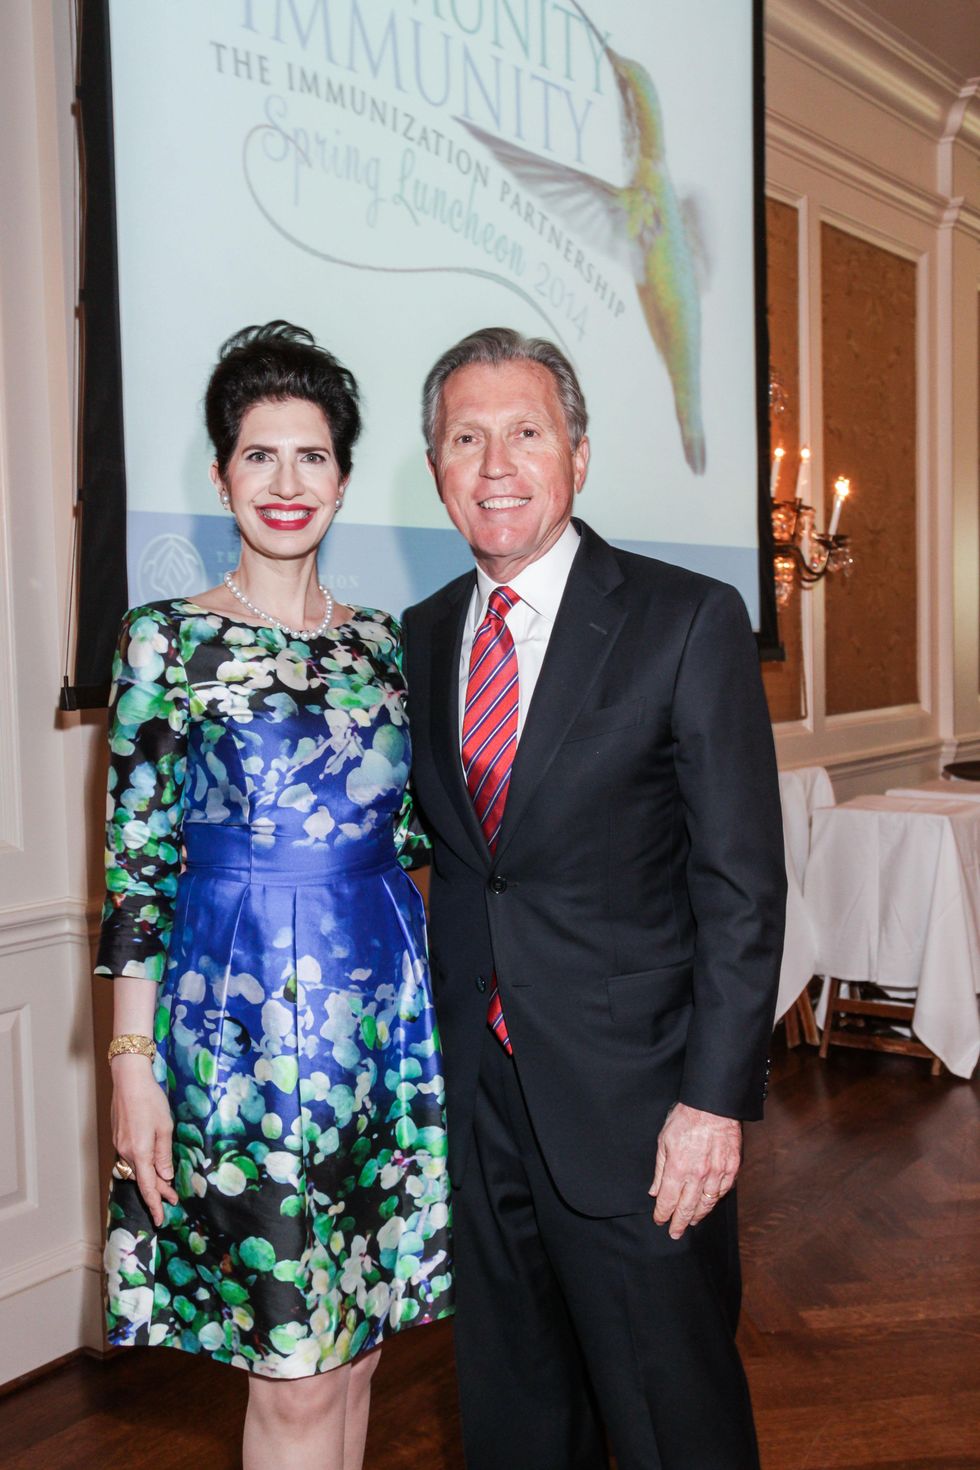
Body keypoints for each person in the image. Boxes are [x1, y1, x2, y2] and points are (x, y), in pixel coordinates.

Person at [402, 326, 786, 1470]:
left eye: (524, 432)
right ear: (434, 469)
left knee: (674, 1425)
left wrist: (711, 1103)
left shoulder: (687, 620)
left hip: (640, 1116)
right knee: (516, 1424)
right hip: (478, 1109)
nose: (494, 465)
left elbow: (740, 887)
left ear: (576, 453)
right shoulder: (422, 637)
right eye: (464, 439)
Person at [97, 321, 452, 1470]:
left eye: (310, 456)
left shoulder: (386, 650)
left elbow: (423, 836)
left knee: (357, 1355)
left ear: (342, 480)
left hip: (382, 1033)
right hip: (238, 1038)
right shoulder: (166, 643)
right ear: (221, 476)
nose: (286, 482)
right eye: (260, 455)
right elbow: (138, 866)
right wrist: (132, 1068)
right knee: (291, 1372)